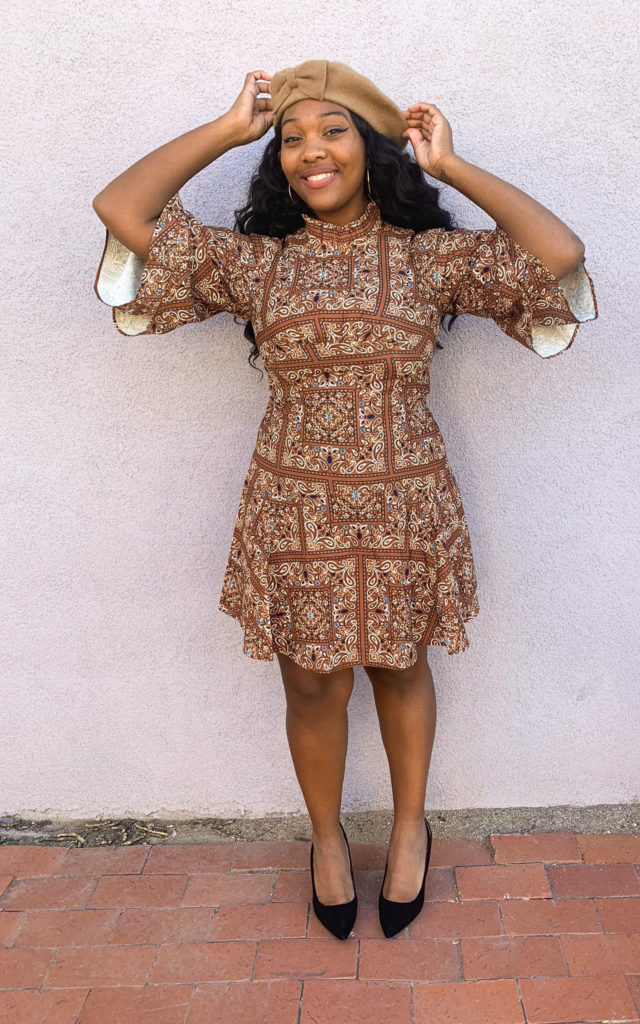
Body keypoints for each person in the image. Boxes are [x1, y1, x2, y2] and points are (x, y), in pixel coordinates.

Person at [92, 59, 597, 941]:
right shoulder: (259, 265)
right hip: (295, 506)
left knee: (401, 667)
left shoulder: (427, 257)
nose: (309, 152)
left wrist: (453, 169)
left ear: (372, 149)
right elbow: (121, 211)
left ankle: (409, 829)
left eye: (331, 132)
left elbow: (557, 256)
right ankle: (326, 840)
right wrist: (227, 128)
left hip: (405, 501)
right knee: (313, 682)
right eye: (291, 138)